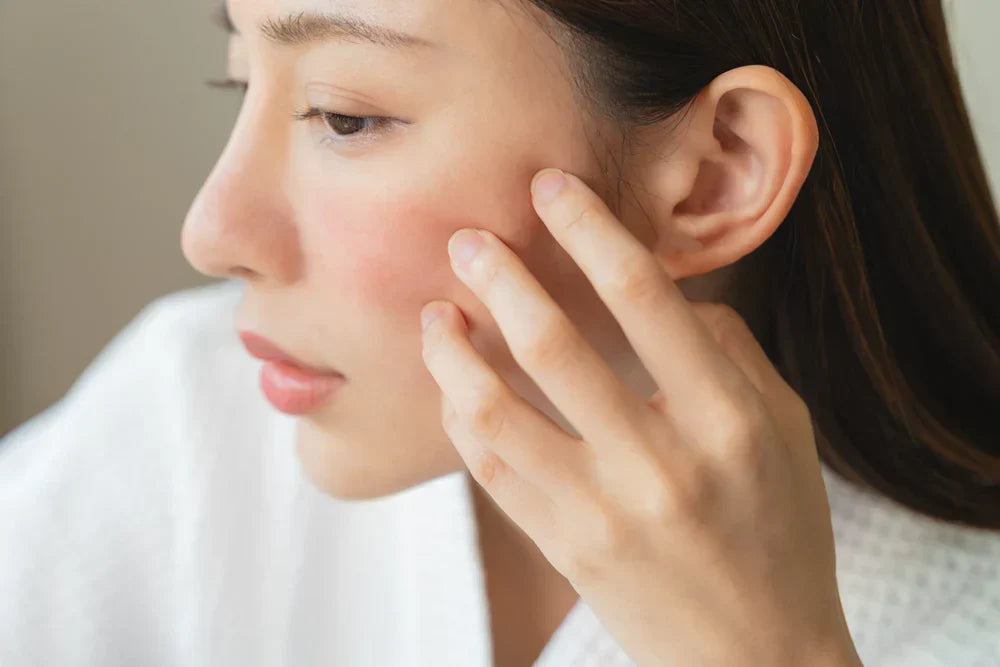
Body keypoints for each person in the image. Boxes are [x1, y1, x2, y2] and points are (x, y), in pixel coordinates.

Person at [2, 0, 999, 665]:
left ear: (717, 172)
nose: (212, 232)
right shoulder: (189, 410)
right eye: (238, 81)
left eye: (343, 117)